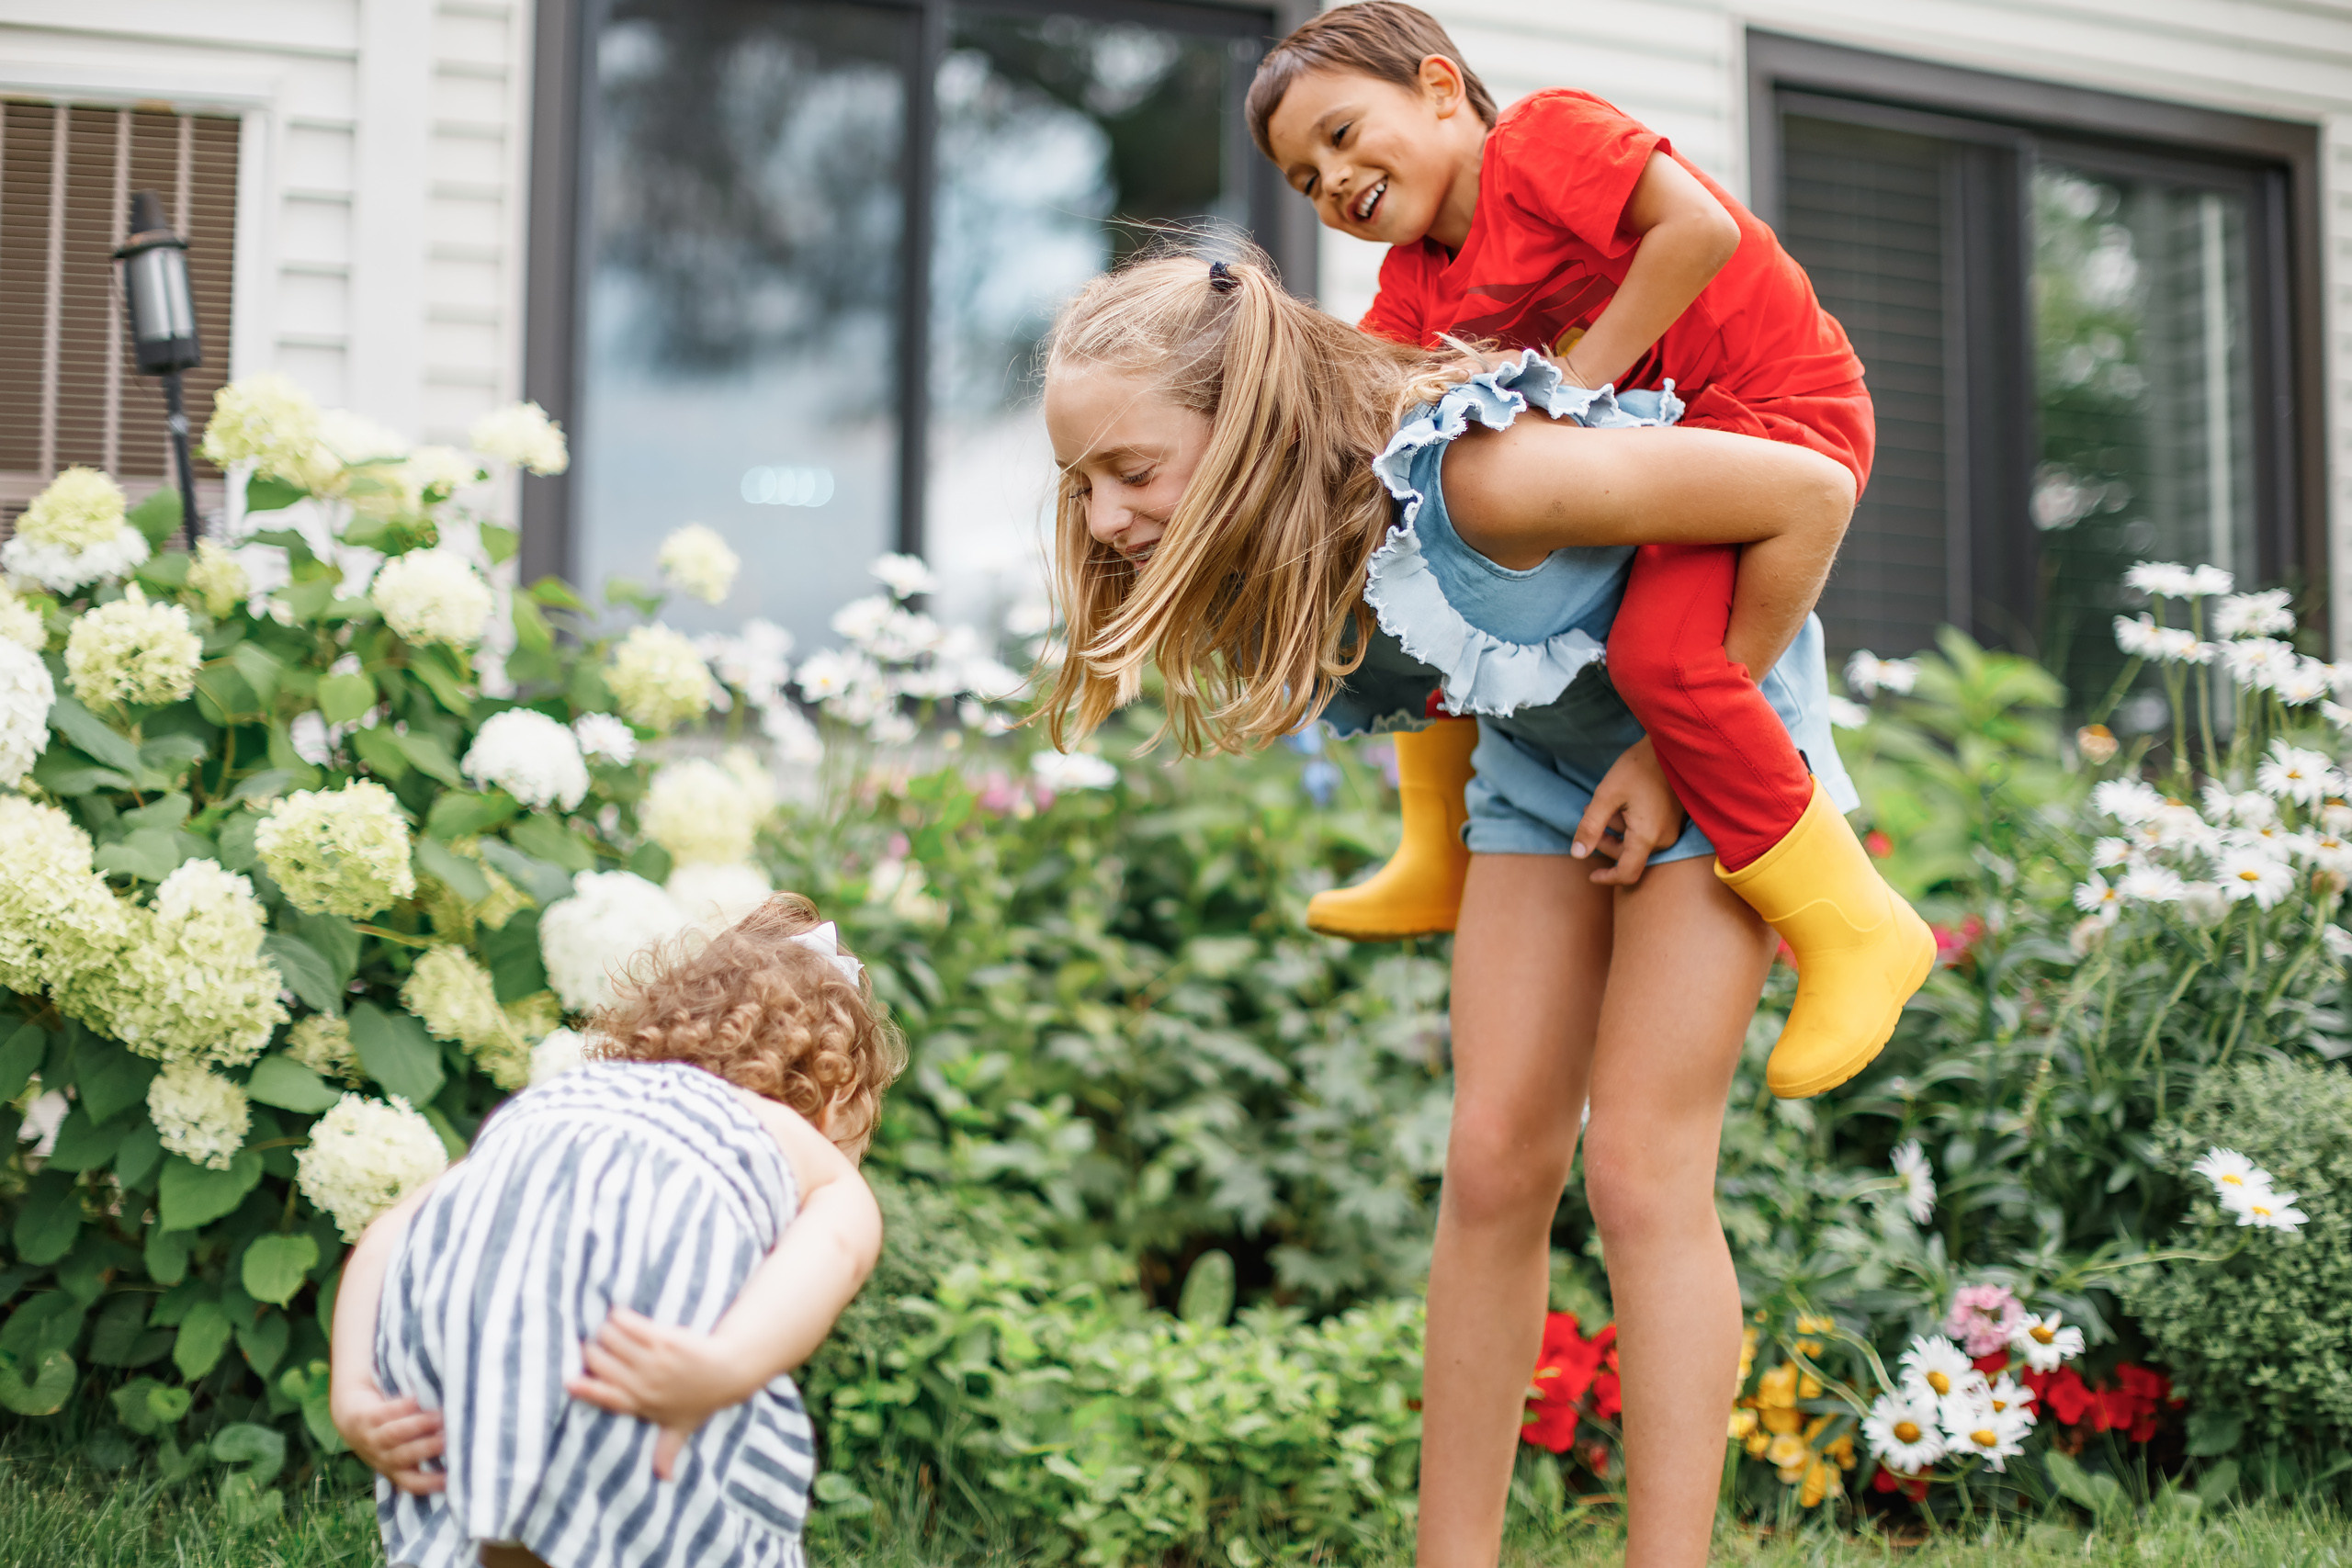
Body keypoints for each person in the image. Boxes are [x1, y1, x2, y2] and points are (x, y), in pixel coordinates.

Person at [1036, 243, 1900, 1566]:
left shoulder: (1491, 477)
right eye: (1081, 482)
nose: (1103, 520)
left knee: (1640, 1170)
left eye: (1133, 473)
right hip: (1540, 767)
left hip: (1713, 742)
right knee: (1493, 1160)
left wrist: (1675, 753)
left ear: (1249, 423)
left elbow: (1806, 493)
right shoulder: (1313, 520)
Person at [1245, 3, 1926, 1099]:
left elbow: (1694, 231)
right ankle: (1436, 848)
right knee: (1416, 571)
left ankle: (1854, 927)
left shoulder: (1543, 142)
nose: (1328, 182)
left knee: (1665, 659)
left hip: (1766, 418)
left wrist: (1570, 400)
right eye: (1300, 179)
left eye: (1337, 135)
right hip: (1659, 459)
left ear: (1435, 88)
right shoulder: (1417, 283)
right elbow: (1367, 426)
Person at [326, 895, 904, 1568]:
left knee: (515, 1520)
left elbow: (390, 1228)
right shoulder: (767, 1130)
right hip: (633, 1289)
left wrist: (354, 1393)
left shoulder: (573, 1098)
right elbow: (844, 1231)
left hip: (469, 1285)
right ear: (837, 1098)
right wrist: (728, 1365)